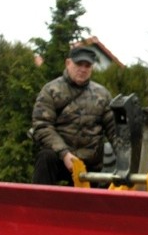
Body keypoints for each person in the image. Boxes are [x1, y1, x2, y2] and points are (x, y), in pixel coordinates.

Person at [32, 46, 118, 185]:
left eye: (87, 65)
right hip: (59, 160)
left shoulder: (103, 95)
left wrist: (127, 159)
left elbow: (114, 131)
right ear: (68, 63)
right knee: (45, 157)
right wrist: (64, 154)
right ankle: (39, 204)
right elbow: (42, 126)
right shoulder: (51, 90)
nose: (83, 69)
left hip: (90, 166)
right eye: (79, 64)